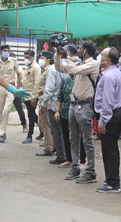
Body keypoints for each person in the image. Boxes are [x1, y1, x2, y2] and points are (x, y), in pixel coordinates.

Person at [55, 40, 99, 184]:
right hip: (74, 104)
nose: (78, 49)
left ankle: (90, 171)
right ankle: (75, 167)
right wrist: (58, 54)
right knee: (73, 138)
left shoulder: (92, 63)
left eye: (81, 48)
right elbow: (61, 68)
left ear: (86, 50)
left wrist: (68, 55)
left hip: (85, 105)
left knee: (86, 140)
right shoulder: (80, 63)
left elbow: (73, 70)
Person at [94, 47, 121, 193]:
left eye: (102, 55)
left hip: (110, 115)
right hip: (116, 113)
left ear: (108, 60)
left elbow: (107, 100)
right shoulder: (116, 72)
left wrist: (102, 121)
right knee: (112, 148)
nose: (99, 57)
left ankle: (113, 182)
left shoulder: (107, 76)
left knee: (109, 149)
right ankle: (112, 179)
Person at [0, 44, 27, 143]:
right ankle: (2, 133)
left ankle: (1, 132)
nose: (6, 52)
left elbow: (18, 73)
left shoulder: (13, 61)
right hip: (0, 88)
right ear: (1, 51)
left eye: (8, 51)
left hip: (11, 88)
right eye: (5, 50)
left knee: (6, 110)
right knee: (0, 111)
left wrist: (17, 87)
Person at [38, 51, 63, 161]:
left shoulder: (51, 70)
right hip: (59, 101)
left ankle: (53, 150)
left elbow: (49, 89)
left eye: (42, 58)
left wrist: (43, 104)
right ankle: (55, 149)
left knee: (52, 128)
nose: (41, 60)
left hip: (51, 102)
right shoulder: (67, 68)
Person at [54, 51, 75, 167]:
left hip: (76, 112)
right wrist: (57, 110)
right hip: (65, 112)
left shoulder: (81, 80)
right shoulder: (66, 81)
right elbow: (60, 96)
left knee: (77, 137)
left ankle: (81, 160)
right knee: (66, 136)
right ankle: (69, 159)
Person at [21, 49, 42, 143]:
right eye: (25, 57)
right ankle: (43, 130)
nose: (26, 59)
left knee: (31, 115)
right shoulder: (27, 66)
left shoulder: (36, 67)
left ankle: (29, 135)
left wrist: (34, 97)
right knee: (32, 114)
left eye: (28, 57)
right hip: (26, 94)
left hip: (31, 95)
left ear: (33, 57)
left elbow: (37, 83)